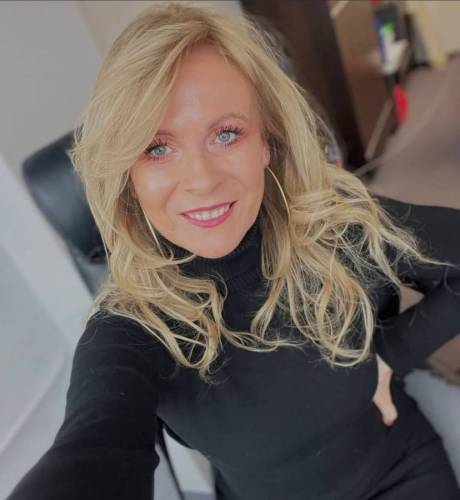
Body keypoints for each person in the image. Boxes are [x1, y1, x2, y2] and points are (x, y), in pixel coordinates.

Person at [7, 3, 460, 499]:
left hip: (398, 476)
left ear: (266, 142)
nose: (201, 180)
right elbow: (93, 449)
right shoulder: (133, 328)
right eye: (156, 147)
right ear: (126, 173)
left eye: (226, 134)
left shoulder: (338, 226)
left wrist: (392, 353)